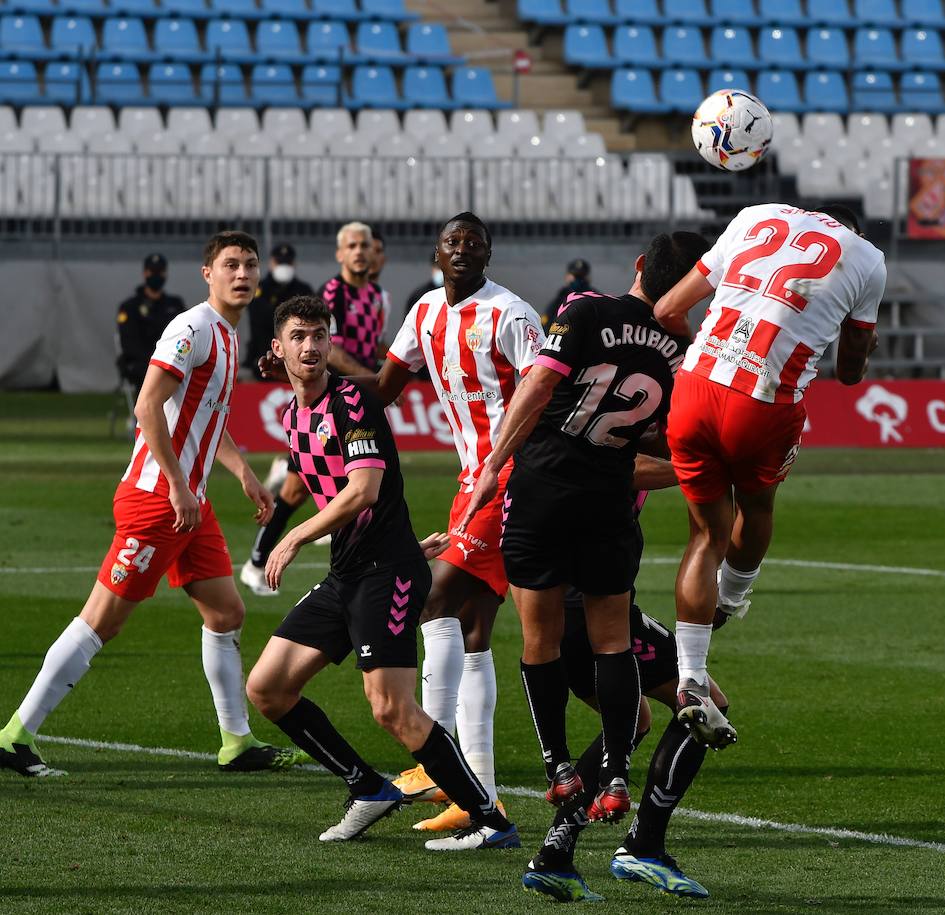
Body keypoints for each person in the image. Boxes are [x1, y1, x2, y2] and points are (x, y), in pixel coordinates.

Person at [261, 213, 544, 834]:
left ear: (489, 252)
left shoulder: (512, 315)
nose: (463, 250)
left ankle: (455, 781)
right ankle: (455, 777)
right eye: (452, 242)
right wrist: (315, 379)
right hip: (468, 482)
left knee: (436, 601)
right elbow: (382, 390)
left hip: (512, 476)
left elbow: (542, 394)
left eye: (474, 242)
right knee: (468, 627)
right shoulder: (423, 315)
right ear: (436, 255)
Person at [0, 231, 302, 779]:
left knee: (227, 612)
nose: (243, 274)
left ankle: (236, 742)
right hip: (158, 501)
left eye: (250, 265)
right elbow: (146, 406)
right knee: (102, 621)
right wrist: (178, 485)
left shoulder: (229, 335)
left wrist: (245, 476)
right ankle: (15, 735)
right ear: (207, 273)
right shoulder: (192, 328)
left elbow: (208, 418)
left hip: (192, 503)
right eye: (230, 264)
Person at [458, 230, 710, 844]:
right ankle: (618, 775)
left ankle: (560, 767)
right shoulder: (683, 348)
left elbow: (540, 385)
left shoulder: (586, 308)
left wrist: (493, 463)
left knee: (538, 638)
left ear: (642, 265)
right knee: (611, 643)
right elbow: (658, 434)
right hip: (610, 499)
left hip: (544, 488)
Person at [651, 203, 885, 749]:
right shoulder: (866, 258)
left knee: (705, 533)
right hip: (764, 403)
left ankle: (689, 678)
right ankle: (730, 601)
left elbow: (665, 309)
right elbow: (850, 374)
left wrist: (710, 356)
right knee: (755, 509)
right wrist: (862, 350)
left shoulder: (754, 216)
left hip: (695, 388)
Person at [523, 468, 723, 903]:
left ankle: (554, 857)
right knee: (705, 704)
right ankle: (643, 847)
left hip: (567, 603)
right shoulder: (610, 429)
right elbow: (621, 468)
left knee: (634, 720)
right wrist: (696, 462)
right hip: (592, 606)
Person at [241, 222, 387, 597]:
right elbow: (333, 351)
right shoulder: (332, 294)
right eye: (351, 245)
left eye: (365, 245)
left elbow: (373, 342)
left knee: (343, 487)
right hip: (325, 404)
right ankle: (258, 560)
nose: (359, 251)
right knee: (296, 491)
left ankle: (356, 556)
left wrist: (387, 373)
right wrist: (372, 377)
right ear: (339, 254)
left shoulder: (377, 296)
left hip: (354, 402)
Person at [116, 253, 186, 394]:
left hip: (172, 361)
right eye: (152, 272)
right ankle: (145, 414)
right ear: (145, 273)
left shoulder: (175, 305)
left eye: (160, 272)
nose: (156, 275)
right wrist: (156, 362)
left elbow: (186, 336)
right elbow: (129, 344)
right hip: (143, 364)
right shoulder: (130, 307)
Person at [244, 242, 312, 378]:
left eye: (287, 263)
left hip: (298, 361)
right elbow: (260, 319)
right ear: (271, 263)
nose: (284, 267)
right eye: (280, 263)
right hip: (262, 359)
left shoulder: (304, 290)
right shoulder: (259, 289)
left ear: (294, 264)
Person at [541, 257, 595, 331]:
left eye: (581, 276)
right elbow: (545, 324)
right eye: (576, 276)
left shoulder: (596, 298)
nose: (578, 280)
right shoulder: (559, 299)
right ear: (567, 276)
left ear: (588, 277)